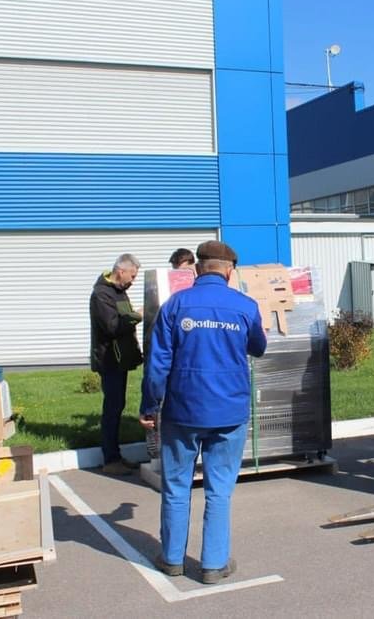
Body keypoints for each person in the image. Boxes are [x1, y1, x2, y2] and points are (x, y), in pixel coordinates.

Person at [140, 240, 266, 583]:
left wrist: (150, 405)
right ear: (230, 271)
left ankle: (172, 559)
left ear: (197, 268)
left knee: (176, 486)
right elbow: (258, 347)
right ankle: (213, 563)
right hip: (229, 411)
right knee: (219, 490)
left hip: (182, 410)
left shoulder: (175, 305)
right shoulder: (245, 306)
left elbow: (157, 364)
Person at [90, 253, 144, 475]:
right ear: (121, 271)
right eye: (132, 275)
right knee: (112, 408)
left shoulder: (119, 291)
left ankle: (116, 455)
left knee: (117, 405)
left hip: (120, 359)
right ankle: (110, 459)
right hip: (109, 359)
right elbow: (112, 326)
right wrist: (136, 316)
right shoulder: (101, 294)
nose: (133, 280)